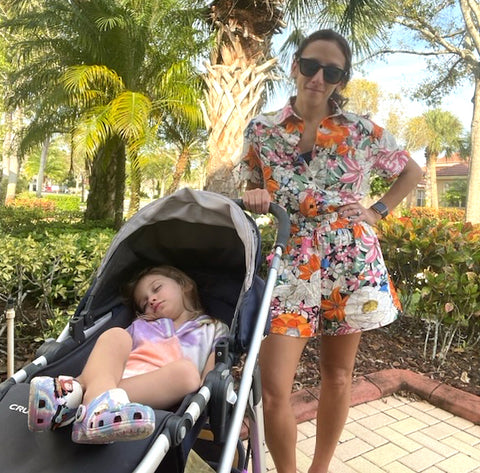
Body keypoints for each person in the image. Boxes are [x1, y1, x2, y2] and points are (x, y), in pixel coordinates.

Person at [237, 29, 423, 473]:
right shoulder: (262, 130)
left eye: (332, 71)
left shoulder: (362, 130)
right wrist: (256, 194)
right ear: (295, 65)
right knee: (274, 387)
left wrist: (376, 211)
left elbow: (412, 171)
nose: (318, 77)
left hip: (349, 258)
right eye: (311, 65)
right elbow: (250, 180)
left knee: (338, 374)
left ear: (342, 79)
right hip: (292, 256)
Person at [27, 265, 229, 444]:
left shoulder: (214, 327)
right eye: (143, 303)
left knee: (187, 373)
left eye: (157, 288)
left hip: (163, 389)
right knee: (116, 335)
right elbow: (108, 360)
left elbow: (209, 380)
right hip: (114, 379)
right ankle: (93, 405)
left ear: (185, 285)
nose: (151, 299)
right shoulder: (143, 325)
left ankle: (72, 398)